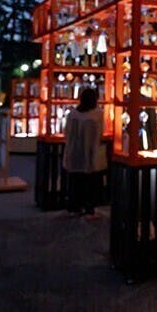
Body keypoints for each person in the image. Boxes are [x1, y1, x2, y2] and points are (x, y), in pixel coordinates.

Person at [62, 86, 107, 220]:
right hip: (90, 152)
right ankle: (89, 210)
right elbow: (100, 133)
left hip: (74, 151)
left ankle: (74, 207)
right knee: (90, 182)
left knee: (75, 180)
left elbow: (67, 132)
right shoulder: (97, 114)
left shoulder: (72, 114)